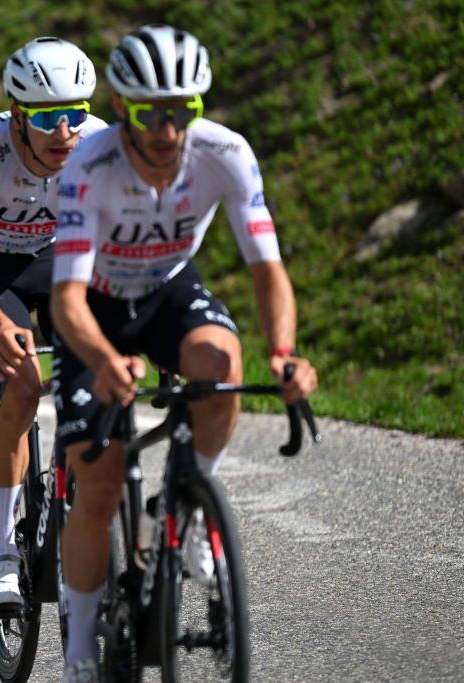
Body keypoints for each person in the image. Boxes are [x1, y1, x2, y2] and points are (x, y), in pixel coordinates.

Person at [50, 24, 319, 681]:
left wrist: (285, 353)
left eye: (182, 112)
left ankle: (192, 500)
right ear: (122, 110)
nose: (168, 131)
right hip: (96, 307)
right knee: (99, 480)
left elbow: (267, 271)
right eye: (151, 114)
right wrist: (106, 360)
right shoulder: (90, 165)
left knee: (223, 367)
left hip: (169, 289)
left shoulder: (224, 152)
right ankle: (80, 644)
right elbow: (66, 300)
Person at [0, 37, 105, 612]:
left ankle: (73, 504)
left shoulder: (98, 146)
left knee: (88, 385)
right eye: (46, 117)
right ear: (18, 113)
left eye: (74, 114)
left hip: (64, 263)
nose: (63, 131)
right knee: (21, 383)